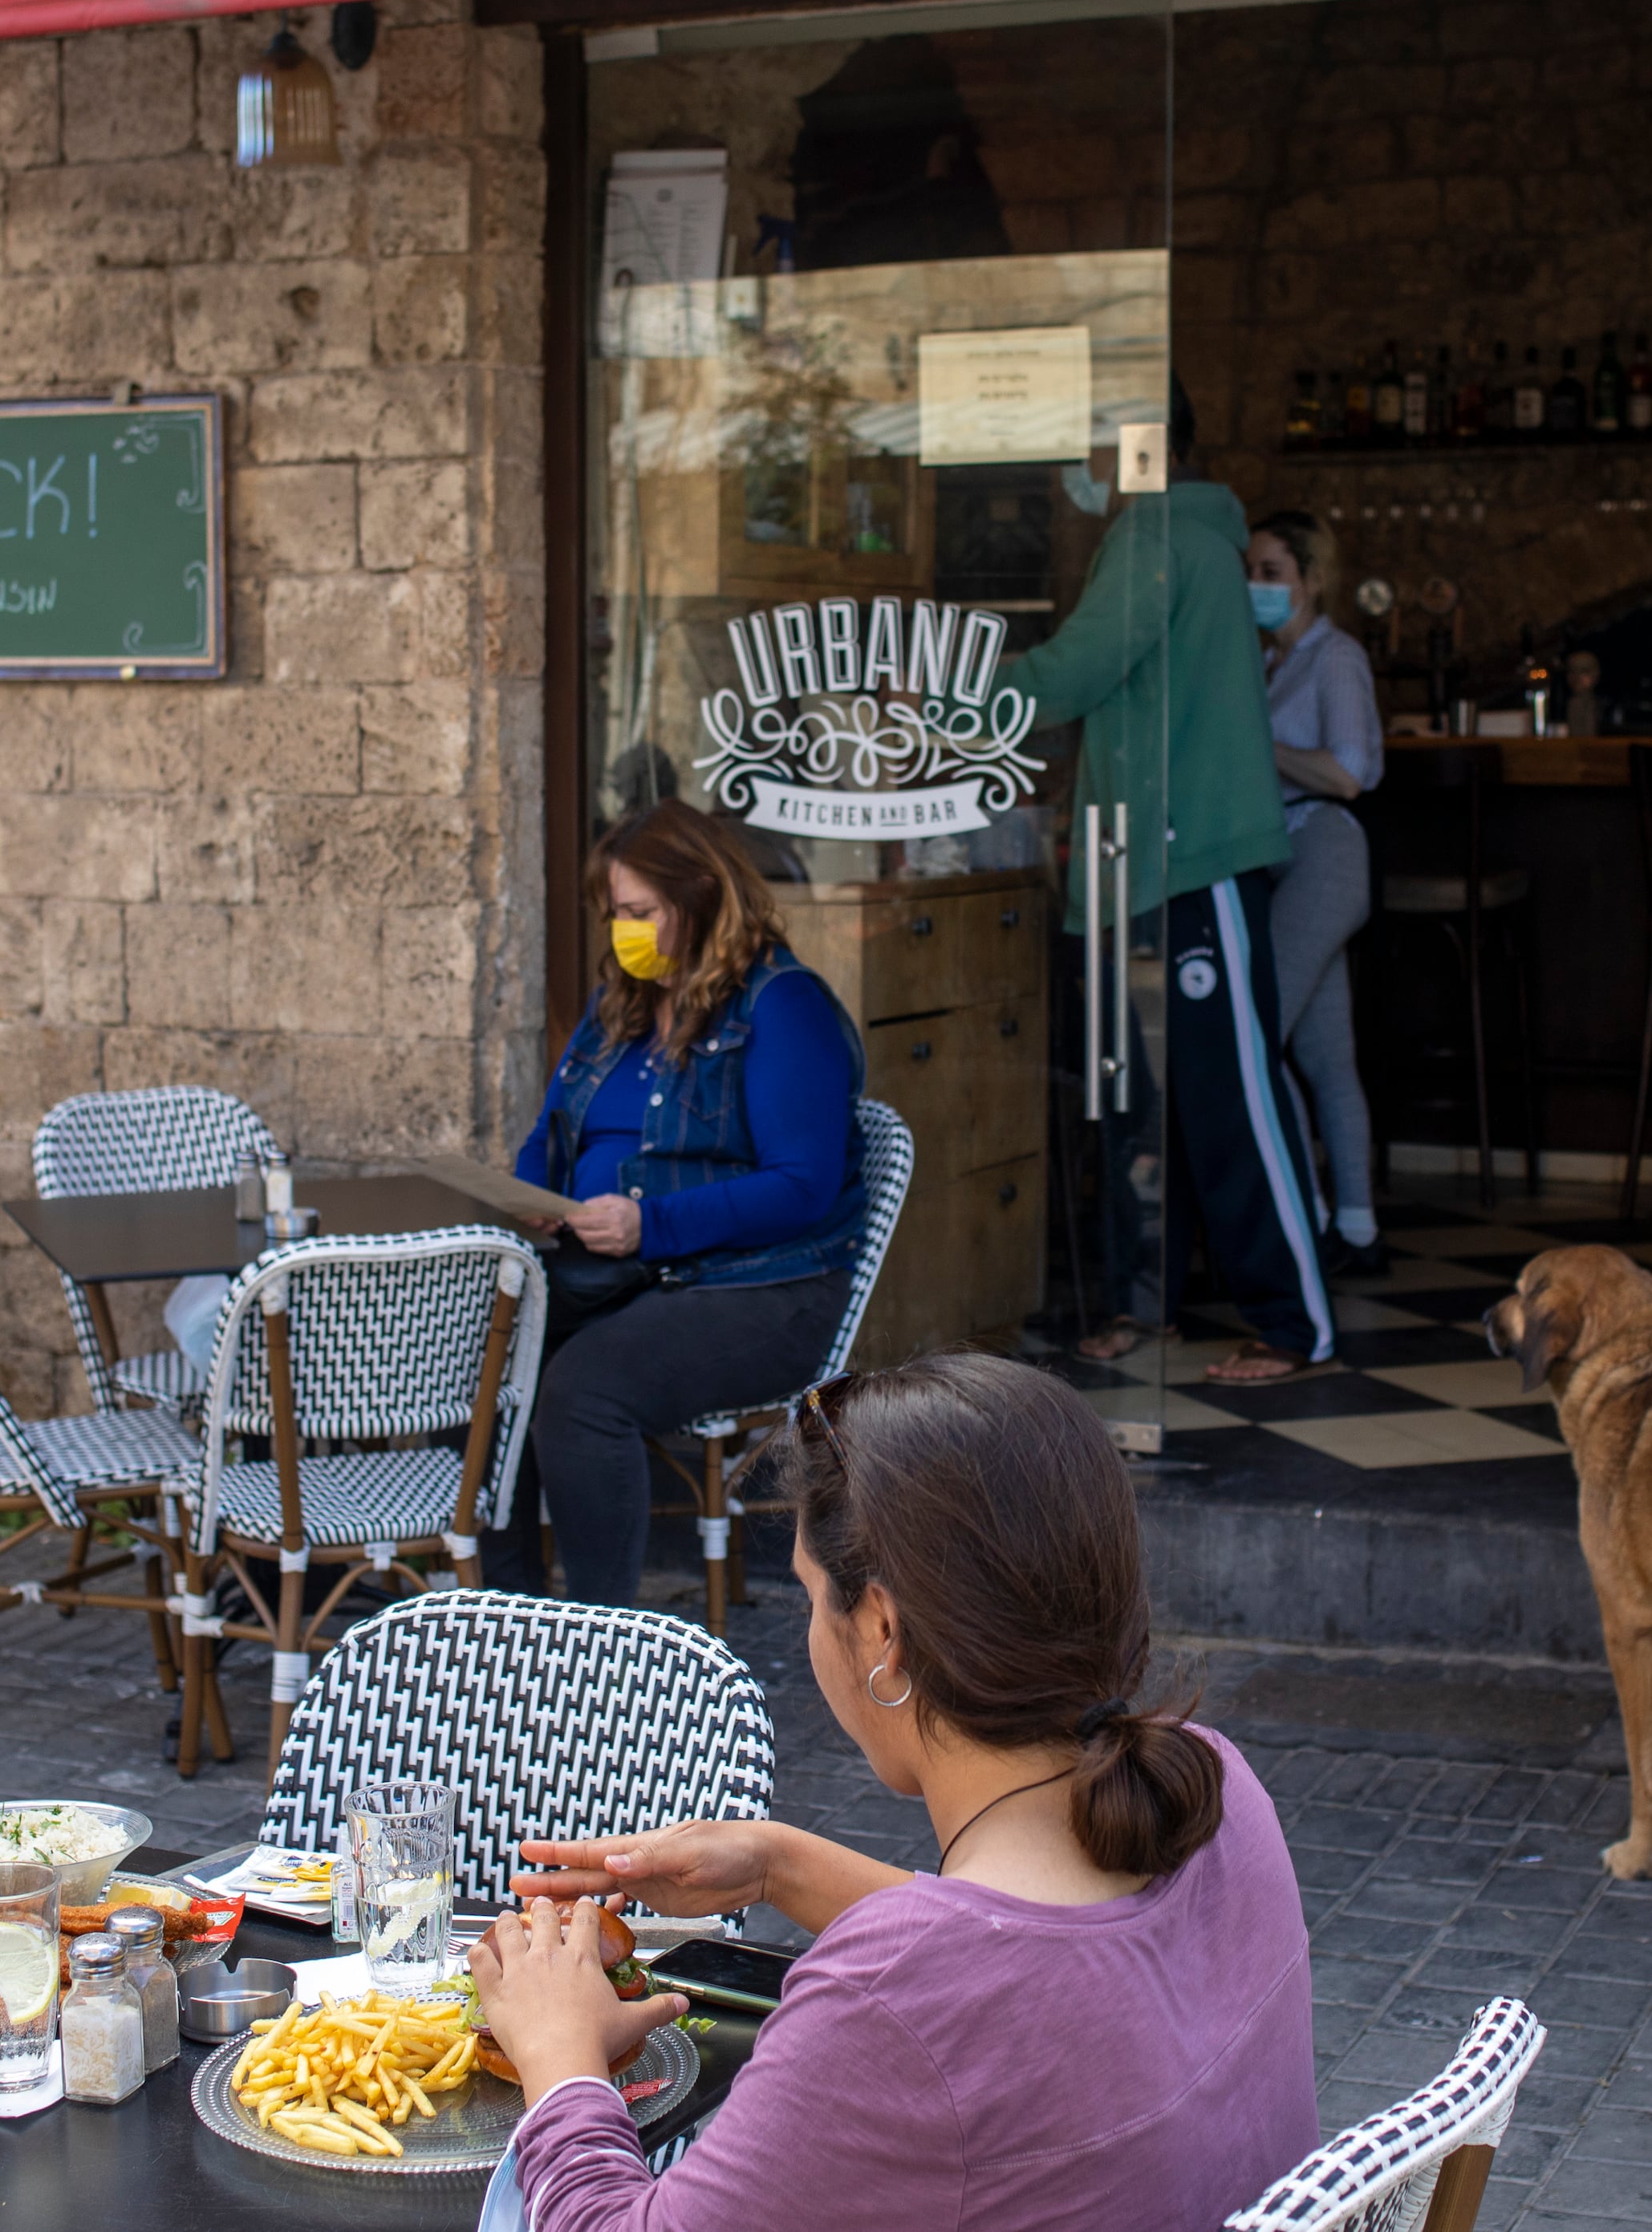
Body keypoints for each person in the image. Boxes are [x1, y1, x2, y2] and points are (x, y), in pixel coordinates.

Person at [473, 1355, 1317, 2228]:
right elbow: (1031, 1960)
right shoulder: (1214, 1791)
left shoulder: (891, 1999)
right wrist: (777, 1864)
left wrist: (560, 2056)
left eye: (808, 1596)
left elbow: (956, 1982)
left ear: (881, 1632)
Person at [998, 402, 1333, 1384]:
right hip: (1135, 861)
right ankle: (1148, 1305)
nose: (1078, 463)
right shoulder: (1177, 537)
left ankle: (1292, 1323)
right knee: (1144, 1105)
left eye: (1090, 441)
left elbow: (1068, 677)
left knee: (1227, 1098)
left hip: (1187, 862)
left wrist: (937, 692)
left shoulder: (1160, 538)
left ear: (1138, 442)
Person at [505, 801, 866, 1609]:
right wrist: (536, 1193)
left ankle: (605, 1645)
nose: (623, 932)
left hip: (761, 1286)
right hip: (625, 1271)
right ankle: (507, 1618)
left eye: (640, 913)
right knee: (485, 1360)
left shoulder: (781, 1006)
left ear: (700, 895)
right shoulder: (620, 1006)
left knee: (580, 1392)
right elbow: (551, 1130)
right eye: (615, 915)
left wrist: (649, 1222)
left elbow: (800, 1185)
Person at [1248, 509, 1386, 1272]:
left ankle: (1310, 1212)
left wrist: (1258, 744)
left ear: (1313, 578)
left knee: (1258, 1040)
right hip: (1286, 857)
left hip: (1324, 849)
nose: (1256, 587)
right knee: (1327, 1054)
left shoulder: (1336, 658)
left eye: (1272, 574)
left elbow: (1349, 772)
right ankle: (1357, 1232)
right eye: (1253, 572)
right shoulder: (1272, 663)